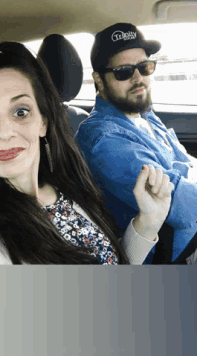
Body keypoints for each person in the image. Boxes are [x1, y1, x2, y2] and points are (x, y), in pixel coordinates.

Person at [0, 41, 173, 265]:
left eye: (21, 112)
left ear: (43, 122)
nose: (3, 133)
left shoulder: (69, 187)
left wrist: (148, 221)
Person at [76, 23, 197, 264]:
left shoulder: (142, 113)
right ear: (99, 80)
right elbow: (183, 208)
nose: (138, 78)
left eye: (144, 67)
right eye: (123, 71)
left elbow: (183, 161)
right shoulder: (103, 139)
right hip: (175, 251)